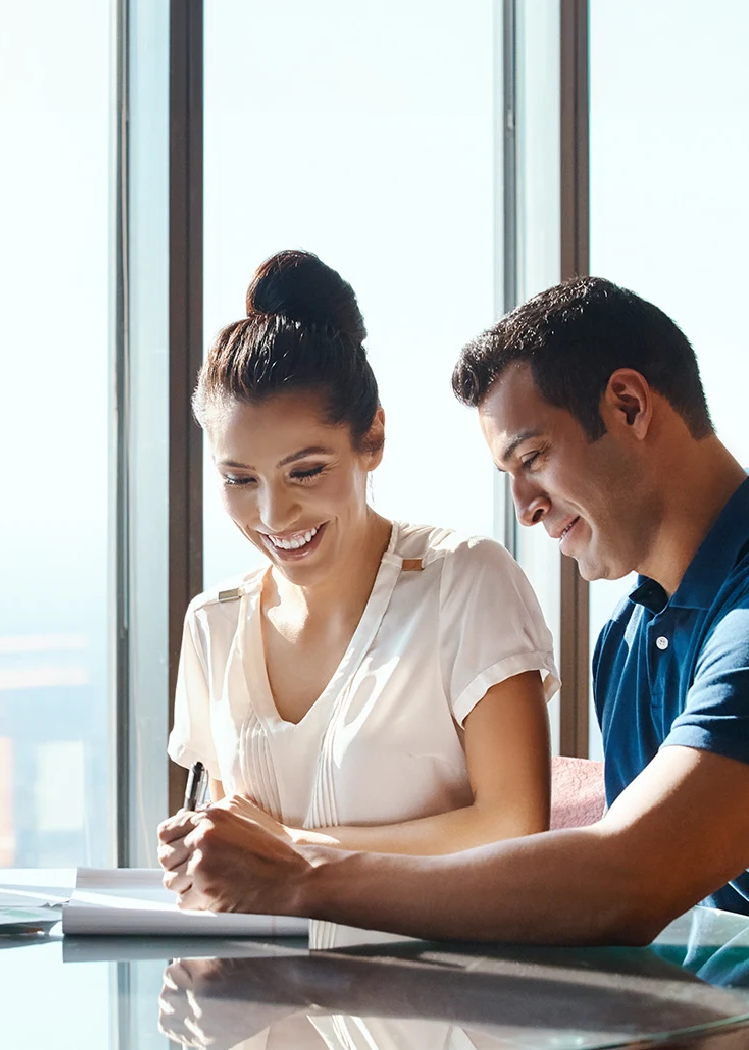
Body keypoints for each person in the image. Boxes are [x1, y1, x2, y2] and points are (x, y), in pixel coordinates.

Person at [160, 277, 749, 1048]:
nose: (526, 510)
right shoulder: (632, 635)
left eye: (532, 458)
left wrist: (301, 873)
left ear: (627, 406)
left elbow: (627, 882)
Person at [165, 250, 556, 855]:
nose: (273, 517)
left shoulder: (466, 582)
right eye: (240, 480)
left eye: (306, 471)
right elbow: (228, 844)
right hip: (256, 954)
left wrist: (289, 852)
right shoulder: (213, 624)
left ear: (371, 437)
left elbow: (514, 824)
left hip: (430, 951)